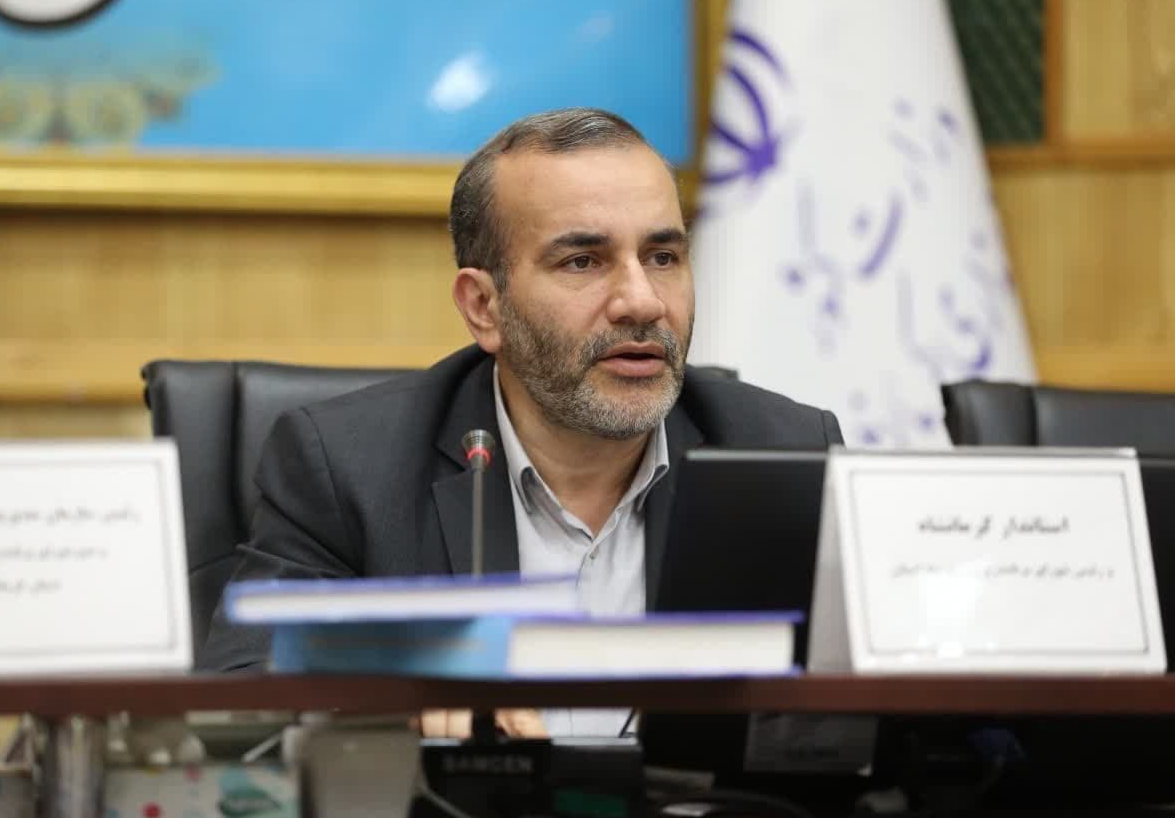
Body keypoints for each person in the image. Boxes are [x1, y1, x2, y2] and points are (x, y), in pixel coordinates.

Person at [199, 108, 843, 737]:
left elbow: (855, 710)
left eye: (663, 257)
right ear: (484, 306)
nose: (642, 301)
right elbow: (241, 702)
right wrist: (400, 715)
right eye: (583, 261)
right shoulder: (347, 469)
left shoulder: (787, 454)